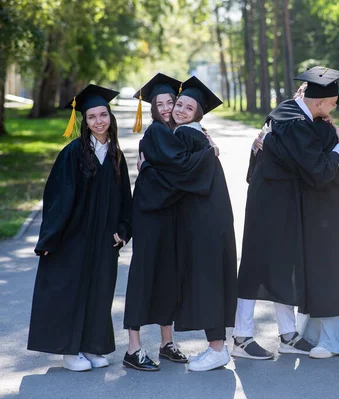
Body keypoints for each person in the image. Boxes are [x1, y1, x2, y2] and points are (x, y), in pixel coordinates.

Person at [235, 66, 339, 360]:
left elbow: (264, 155)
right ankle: (241, 337)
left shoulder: (283, 112)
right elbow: (320, 172)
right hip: (273, 203)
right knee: (255, 266)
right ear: (320, 103)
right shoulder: (298, 124)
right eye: (333, 103)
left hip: (277, 199)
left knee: (283, 267)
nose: (334, 108)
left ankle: (288, 335)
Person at [27, 84, 132, 372]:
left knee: (99, 292)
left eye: (103, 115)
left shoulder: (115, 155)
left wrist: (123, 231)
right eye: (92, 117)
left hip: (104, 239)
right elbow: (57, 200)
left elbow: (126, 199)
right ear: (83, 122)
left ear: (110, 117)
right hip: (74, 237)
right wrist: (50, 239)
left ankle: (92, 346)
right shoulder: (72, 153)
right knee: (72, 291)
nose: (99, 121)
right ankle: (70, 352)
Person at [123, 73, 216, 371]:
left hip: (171, 214)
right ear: (151, 108)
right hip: (152, 217)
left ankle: (167, 342)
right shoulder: (156, 134)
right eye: (159, 103)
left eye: (170, 102)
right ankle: (133, 348)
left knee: (169, 277)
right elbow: (181, 171)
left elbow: (175, 172)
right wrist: (207, 154)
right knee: (144, 277)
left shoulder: (179, 133)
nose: (166, 108)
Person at [158, 76, 237, 372]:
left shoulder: (188, 136)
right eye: (179, 104)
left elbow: (178, 175)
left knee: (207, 281)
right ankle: (217, 345)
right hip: (208, 218)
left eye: (188, 108)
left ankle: (218, 349)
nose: (180, 110)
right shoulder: (198, 135)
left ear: (197, 113)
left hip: (204, 221)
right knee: (210, 279)